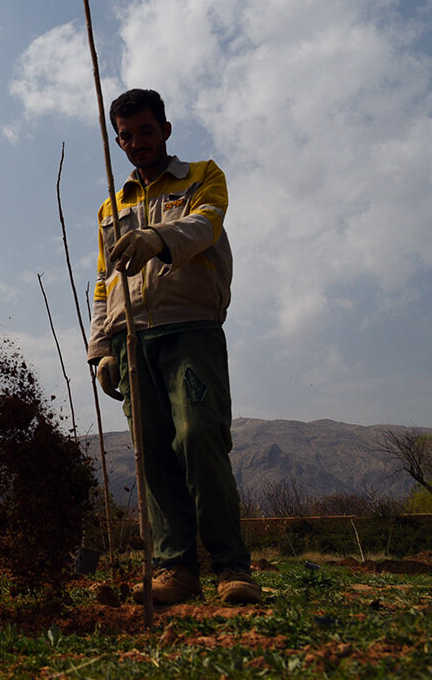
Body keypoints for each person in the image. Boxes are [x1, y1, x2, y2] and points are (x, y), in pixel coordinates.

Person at [87, 89, 262, 605]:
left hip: (190, 328)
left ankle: (232, 567)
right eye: (126, 136)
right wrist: (100, 347)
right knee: (153, 455)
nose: (137, 143)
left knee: (200, 436)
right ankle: (176, 570)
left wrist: (157, 239)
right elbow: (103, 280)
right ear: (117, 141)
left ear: (165, 129)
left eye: (146, 131)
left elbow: (206, 225)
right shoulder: (110, 205)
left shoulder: (202, 176)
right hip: (131, 339)